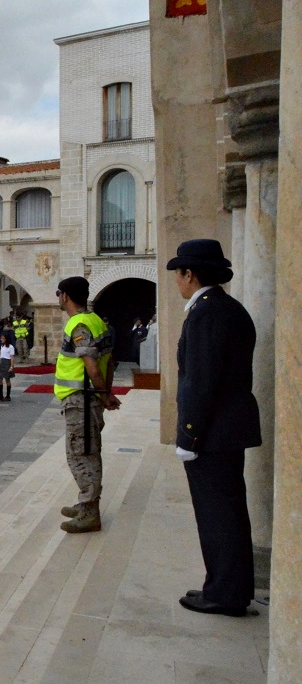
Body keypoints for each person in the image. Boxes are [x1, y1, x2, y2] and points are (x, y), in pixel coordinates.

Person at [168, 239, 260, 617]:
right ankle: (229, 586)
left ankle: (223, 592)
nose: (177, 281)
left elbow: (200, 381)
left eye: (179, 273)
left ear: (190, 274)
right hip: (227, 428)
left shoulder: (206, 314)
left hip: (213, 432)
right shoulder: (227, 308)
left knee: (218, 514)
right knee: (229, 511)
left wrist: (188, 434)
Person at [54, 276, 119, 533]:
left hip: (80, 399)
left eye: (59, 293)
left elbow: (91, 364)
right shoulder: (96, 320)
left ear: (65, 296)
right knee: (86, 450)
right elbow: (110, 361)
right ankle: (85, 503)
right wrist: (105, 392)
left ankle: (90, 511)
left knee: (81, 454)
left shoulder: (79, 324)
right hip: (87, 397)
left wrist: (104, 393)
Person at [0, 333, 16, 402]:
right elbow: (1, 355)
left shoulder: (10, 347)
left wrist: (11, 366)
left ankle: (8, 396)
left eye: (2, 338)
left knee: (7, 379)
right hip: (2, 362)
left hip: (7, 363)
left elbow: (12, 357)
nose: (1, 340)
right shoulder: (2, 346)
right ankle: (0, 395)